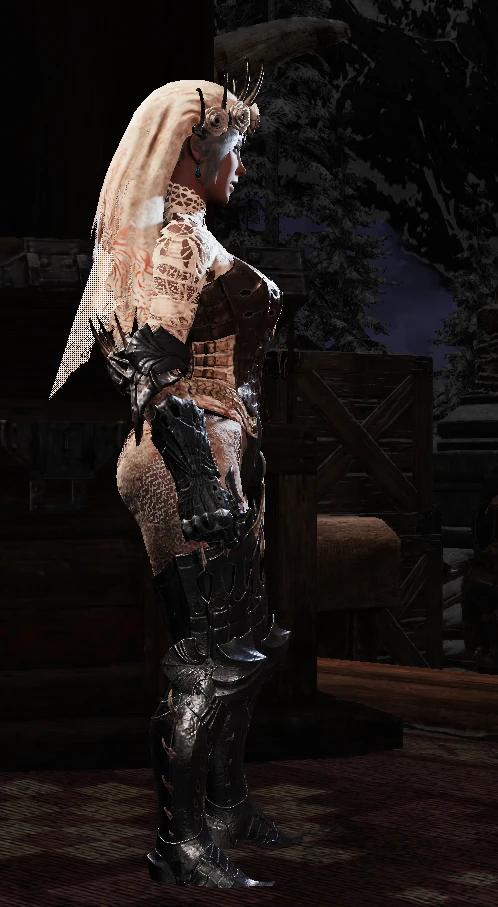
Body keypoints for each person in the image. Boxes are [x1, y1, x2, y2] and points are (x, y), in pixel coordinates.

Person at [49, 64, 300, 888]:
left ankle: (226, 806)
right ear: (194, 151)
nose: (241, 165)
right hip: (184, 460)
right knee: (209, 655)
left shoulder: (191, 232)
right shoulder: (180, 241)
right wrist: (198, 479)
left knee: (240, 643)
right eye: (233, 148)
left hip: (220, 454)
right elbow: (147, 363)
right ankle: (180, 842)